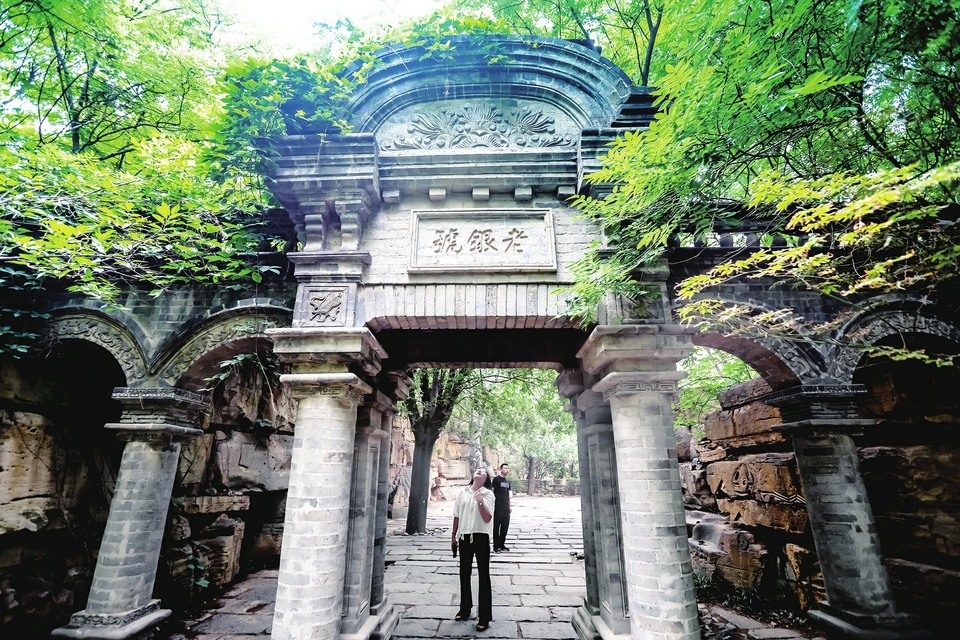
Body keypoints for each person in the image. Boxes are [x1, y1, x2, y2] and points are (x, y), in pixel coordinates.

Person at [451, 467, 495, 632]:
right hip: (464, 537)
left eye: (483, 471)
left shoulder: (488, 494)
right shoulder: (462, 493)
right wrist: (453, 535)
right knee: (464, 574)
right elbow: (457, 515)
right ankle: (465, 608)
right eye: (477, 469)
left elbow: (487, 518)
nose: (479, 471)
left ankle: (484, 616)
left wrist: (480, 501)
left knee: (484, 576)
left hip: (481, 537)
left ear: (486, 478)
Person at [491, 463, 512, 552]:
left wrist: (510, 506)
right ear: (501, 469)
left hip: (506, 507)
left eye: (508, 468)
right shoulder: (496, 479)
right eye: (505, 468)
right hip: (498, 506)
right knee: (497, 526)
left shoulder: (508, 482)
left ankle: (502, 544)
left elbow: (509, 495)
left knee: (505, 526)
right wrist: (492, 504)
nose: (507, 470)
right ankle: (496, 546)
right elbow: (492, 492)